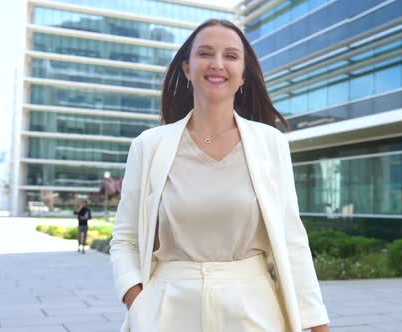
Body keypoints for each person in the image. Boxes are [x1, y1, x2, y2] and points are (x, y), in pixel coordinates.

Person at [110, 19, 330, 332]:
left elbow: (292, 240)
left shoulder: (271, 144)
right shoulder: (149, 146)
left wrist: (318, 325)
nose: (217, 64)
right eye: (205, 53)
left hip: (255, 313)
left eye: (230, 56)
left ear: (243, 75)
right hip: (167, 312)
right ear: (187, 69)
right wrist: (139, 304)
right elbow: (125, 240)